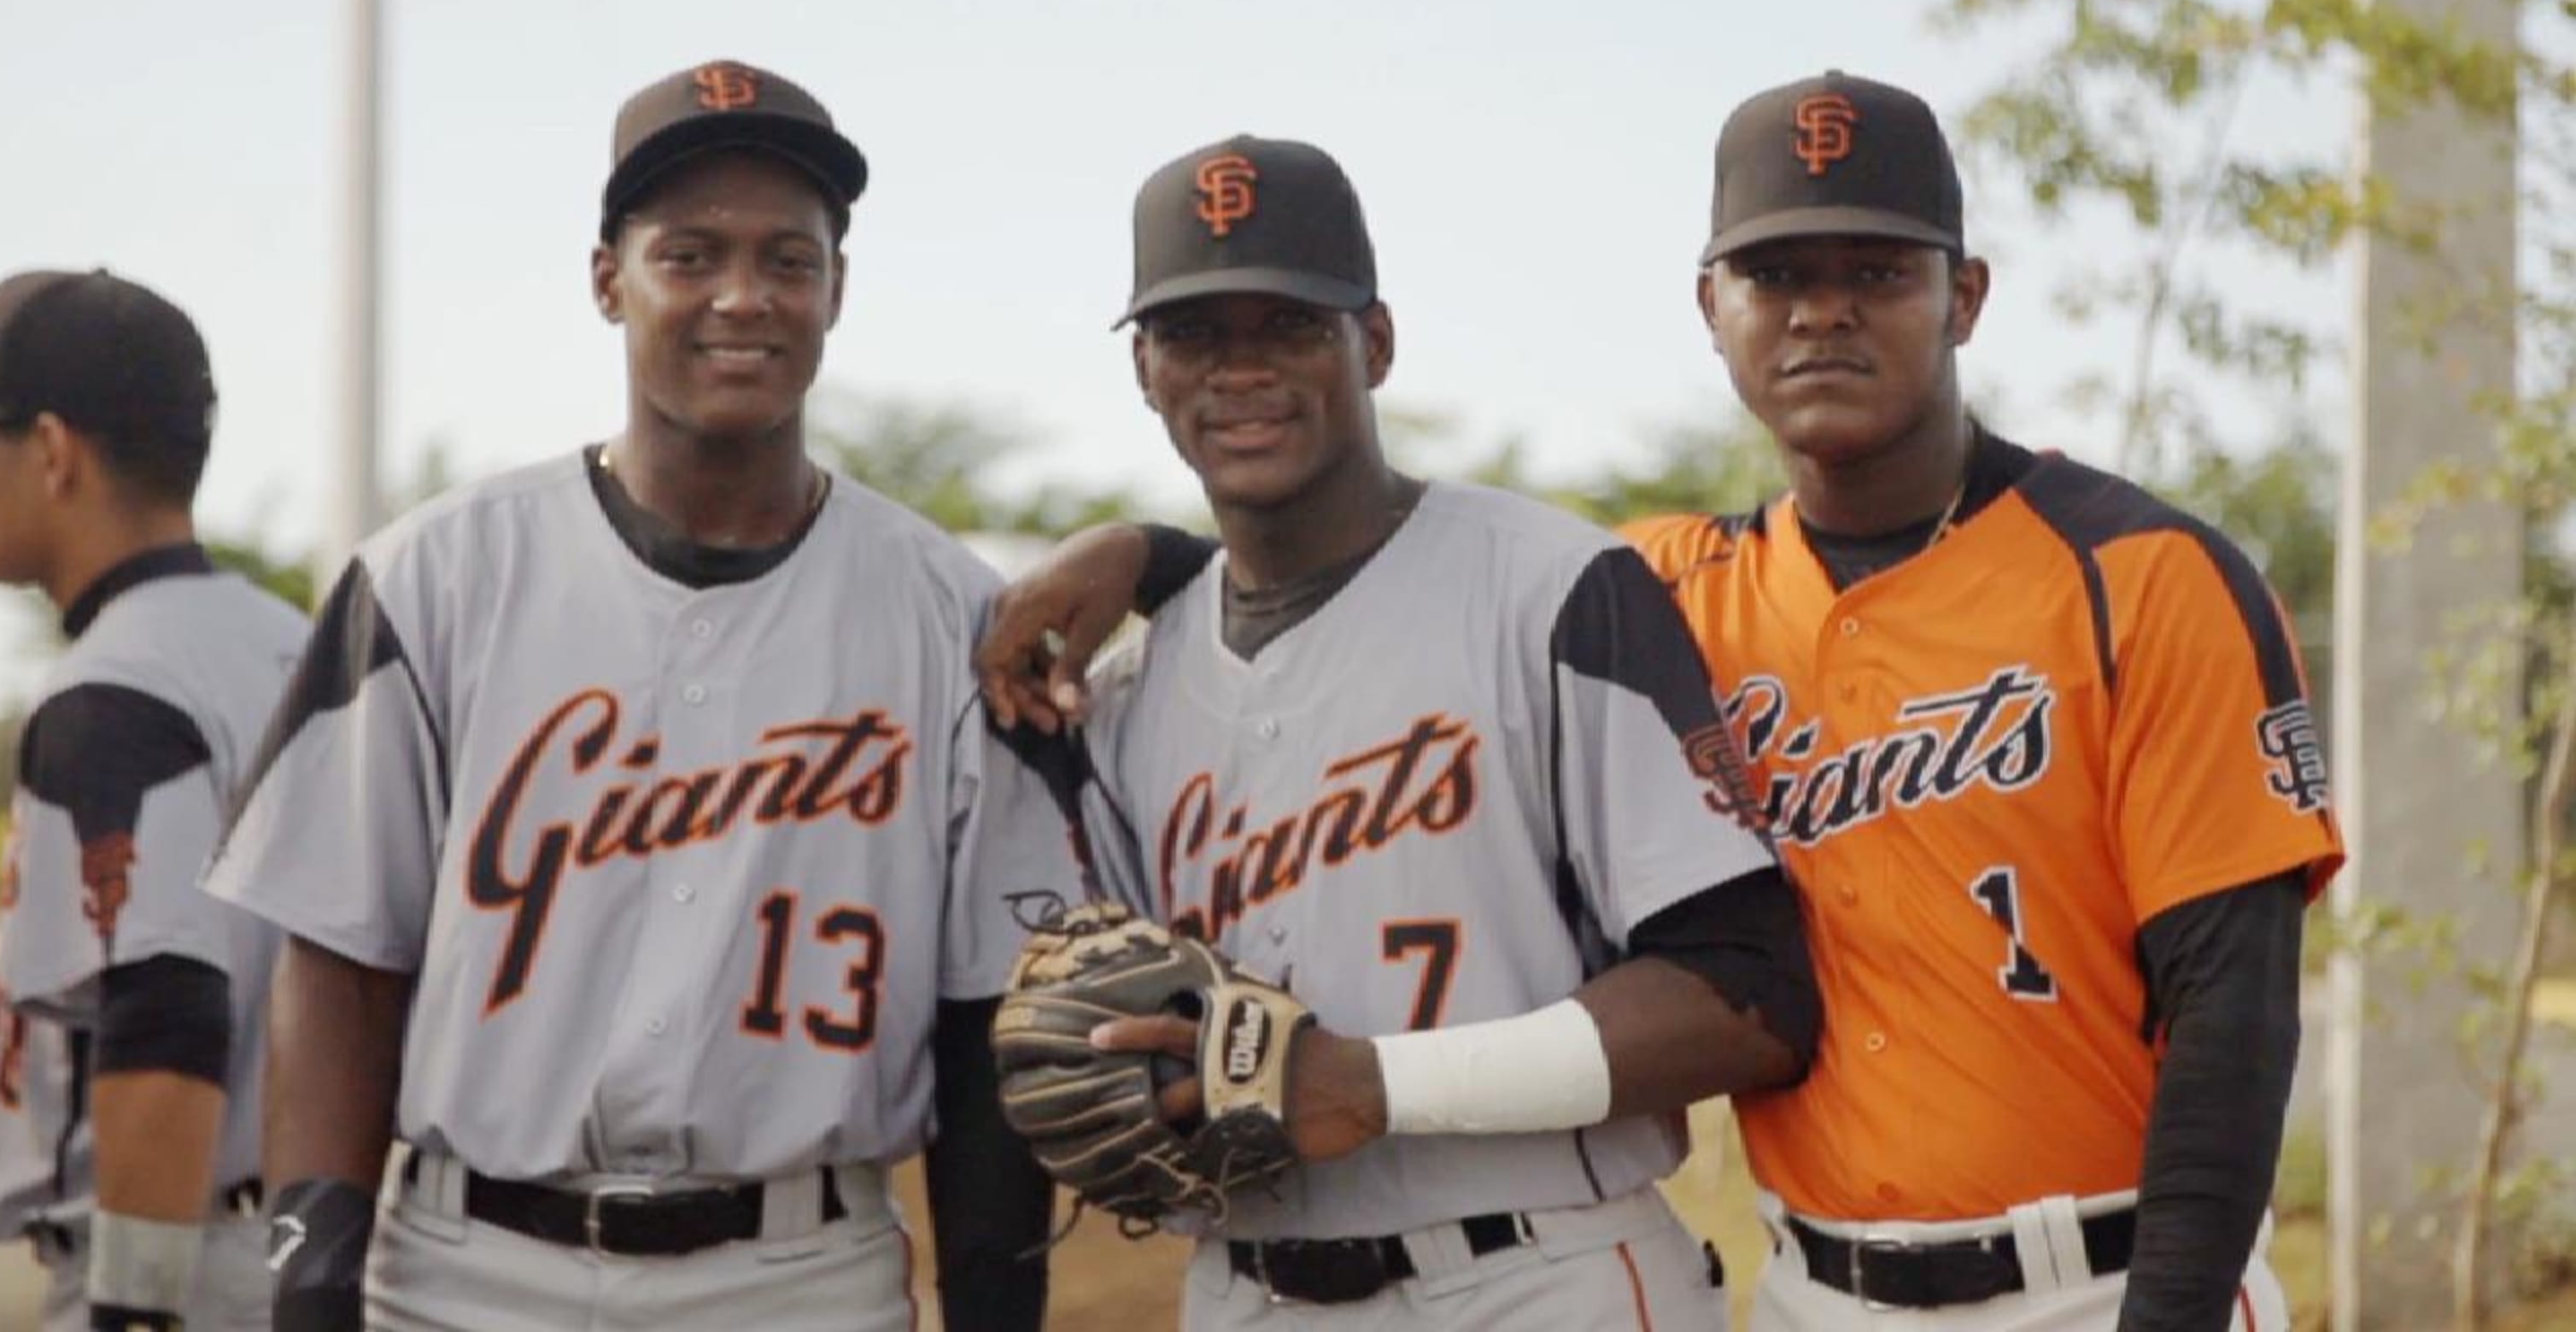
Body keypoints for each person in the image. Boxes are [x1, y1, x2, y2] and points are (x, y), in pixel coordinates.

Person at [981, 75, 2343, 1331]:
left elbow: (2237, 1013)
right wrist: (1151, 558)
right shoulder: (1675, 588)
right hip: (1811, 1290)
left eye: (1875, 270)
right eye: (1775, 273)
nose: (1822, 310)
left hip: (2103, 1281)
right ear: (1712, 309)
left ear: (1965, 297)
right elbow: (1375, 590)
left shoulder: (2146, 577)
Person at [200, 60, 1078, 1332]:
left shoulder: (951, 614)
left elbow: (982, 1007)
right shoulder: (433, 578)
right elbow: (340, 962)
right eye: (690, 254)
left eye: (790, 258)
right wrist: (309, 1287)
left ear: (838, 290)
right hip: (464, 1272)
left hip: (800, 1278)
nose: (744, 296)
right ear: (609, 279)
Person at [1019, 133, 1822, 1329]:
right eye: (1195, 336)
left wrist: (1373, 1084)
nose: (1240, 372)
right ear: (1145, 368)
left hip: (1537, 1274)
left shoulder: (1553, 589)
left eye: (1288, 328)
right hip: (1243, 1291)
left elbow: (1747, 1000)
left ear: (1375, 344)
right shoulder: (1128, 688)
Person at [0, 267, 307, 1331]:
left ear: (53, 451)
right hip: (301, 1239)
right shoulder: (289, 646)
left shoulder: (117, 688)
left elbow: (164, 1008)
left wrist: (133, 1311)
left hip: (179, 1262)